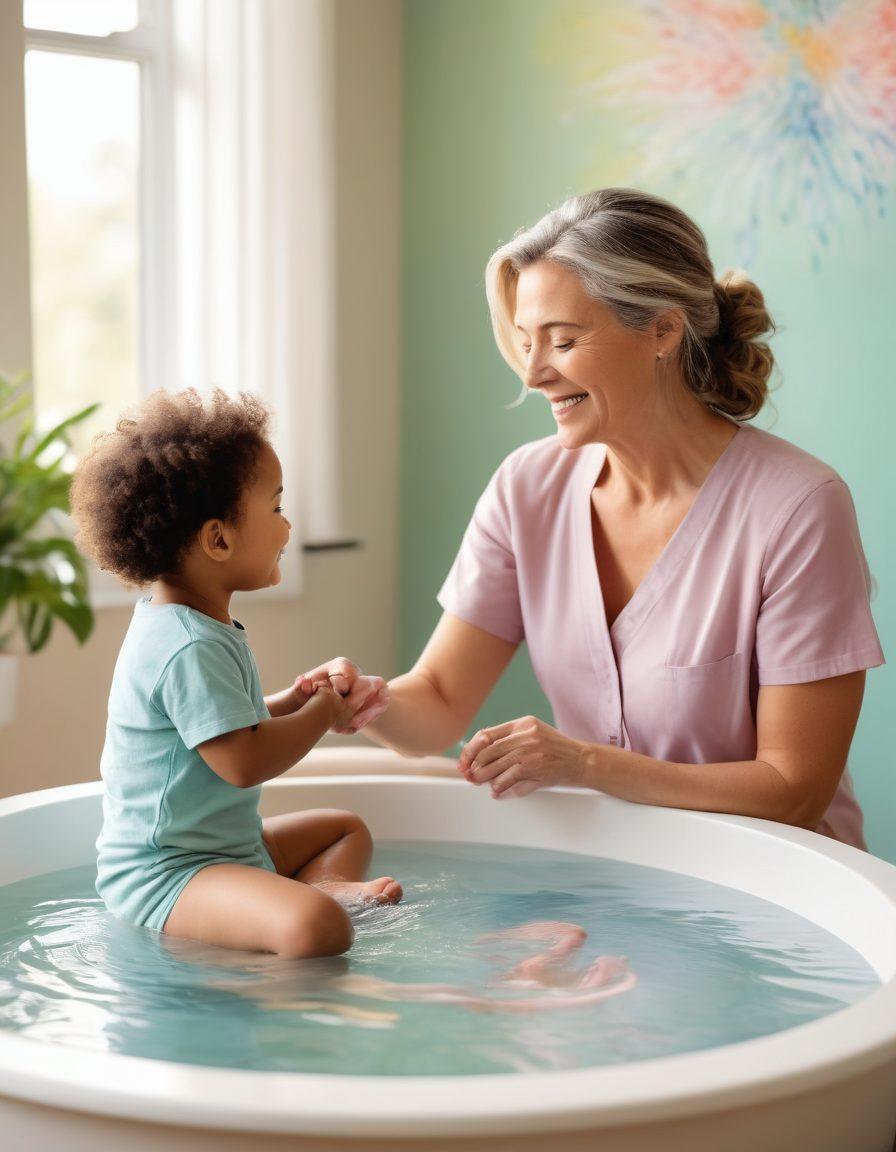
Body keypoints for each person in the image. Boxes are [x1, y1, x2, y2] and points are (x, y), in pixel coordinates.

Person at [308, 188, 884, 849]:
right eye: (526, 342)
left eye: (563, 340)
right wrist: (367, 701)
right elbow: (437, 700)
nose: (532, 373)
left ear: (663, 331)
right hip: (614, 878)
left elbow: (795, 790)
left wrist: (583, 764)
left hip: (781, 888)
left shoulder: (799, 507)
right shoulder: (526, 489)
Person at [71, 388, 401, 959]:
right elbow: (242, 761)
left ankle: (308, 891)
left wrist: (299, 698)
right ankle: (293, 927)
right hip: (167, 876)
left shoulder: (188, 625)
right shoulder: (184, 645)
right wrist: (325, 713)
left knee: (346, 827)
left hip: (226, 850)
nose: (287, 525)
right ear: (218, 539)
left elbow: (221, 730)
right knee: (319, 929)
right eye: (275, 507)